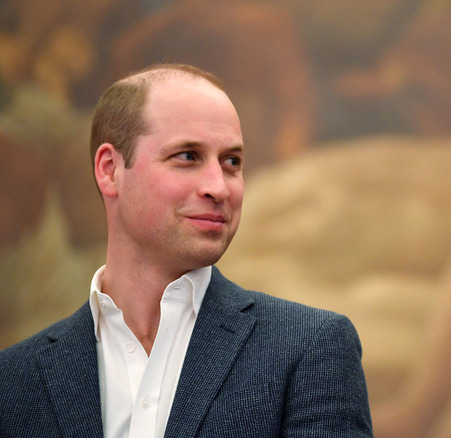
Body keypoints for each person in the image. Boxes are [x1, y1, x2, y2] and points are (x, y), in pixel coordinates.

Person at [0, 64, 373, 437]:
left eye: (232, 163)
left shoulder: (311, 348)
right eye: (188, 156)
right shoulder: (15, 379)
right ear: (110, 170)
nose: (220, 188)